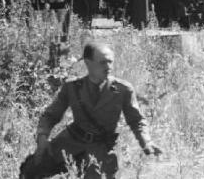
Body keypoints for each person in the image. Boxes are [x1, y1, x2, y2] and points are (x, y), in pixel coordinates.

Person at [19, 42, 162, 179]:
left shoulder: (123, 90)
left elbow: (136, 120)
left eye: (110, 62)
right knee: (30, 170)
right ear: (88, 63)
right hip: (70, 141)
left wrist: (146, 142)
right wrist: (42, 137)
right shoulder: (72, 87)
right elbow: (50, 116)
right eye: (103, 62)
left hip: (100, 149)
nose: (108, 67)